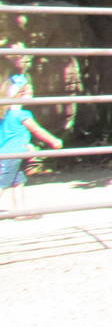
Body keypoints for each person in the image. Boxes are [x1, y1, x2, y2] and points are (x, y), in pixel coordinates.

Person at [1, 65, 62, 215]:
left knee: (18, 182)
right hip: (12, 156)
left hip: (13, 155)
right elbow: (37, 130)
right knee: (2, 184)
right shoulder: (22, 115)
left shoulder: (5, 114)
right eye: (29, 91)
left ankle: (20, 211)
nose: (32, 94)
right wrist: (53, 140)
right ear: (20, 94)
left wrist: (25, 145)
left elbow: (11, 135)